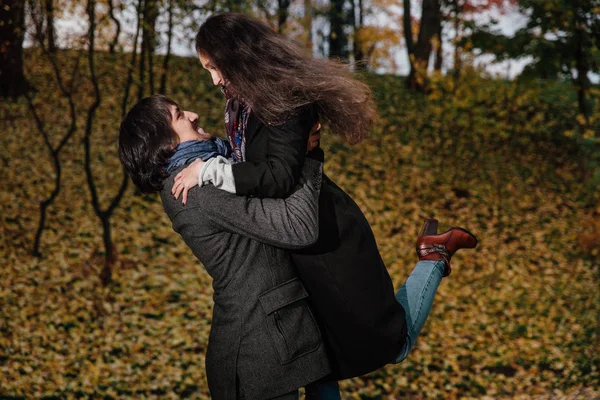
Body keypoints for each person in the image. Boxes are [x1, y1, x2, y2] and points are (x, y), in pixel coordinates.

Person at [170, 13, 478, 398]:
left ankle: (432, 257)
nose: (214, 79)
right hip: (290, 246)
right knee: (317, 359)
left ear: (239, 55)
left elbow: (279, 175)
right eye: (208, 70)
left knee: (392, 342)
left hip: (326, 240)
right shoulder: (242, 103)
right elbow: (244, 161)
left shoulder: (285, 99)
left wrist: (212, 172)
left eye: (215, 67)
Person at [118, 95, 332, 400]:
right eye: (179, 116)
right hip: (258, 349)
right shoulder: (198, 190)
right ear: (166, 145)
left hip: (268, 340)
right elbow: (298, 227)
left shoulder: (205, 171)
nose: (192, 114)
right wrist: (306, 157)